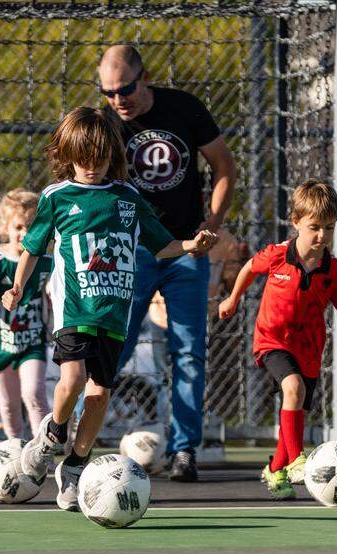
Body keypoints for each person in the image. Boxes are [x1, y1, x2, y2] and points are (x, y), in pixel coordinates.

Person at [3, 107, 216, 511]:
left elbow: (161, 245)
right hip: (74, 309)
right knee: (72, 380)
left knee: (99, 394)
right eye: (84, 158)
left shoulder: (128, 199)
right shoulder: (57, 197)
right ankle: (51, 435)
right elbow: (33, 247)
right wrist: (16, 285)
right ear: (68, 154)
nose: (92, 167)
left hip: (112, 315)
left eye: (100, 159)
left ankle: (75, 467)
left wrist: (190, 246)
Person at [98, 45, 237, 482]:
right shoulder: (102, 123)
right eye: (109, 92)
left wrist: (210, 226)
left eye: (126, 89)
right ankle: (76, 441)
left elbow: (224, 167)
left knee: (189, 351)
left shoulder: (184, 108)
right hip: (130, 251)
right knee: (111, 347)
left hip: (185, 249)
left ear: (145, 77)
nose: (119, 100)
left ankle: (184, 450)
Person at [218, 180, 337, 499]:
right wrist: (233, 299)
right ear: (295, 223)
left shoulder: (333, 269)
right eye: (314, 227)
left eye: (329, 228)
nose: (321, 235)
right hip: (272, 340)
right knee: (292, 388)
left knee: (295, 409)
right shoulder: (278, 255)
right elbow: (249, 269)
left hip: (309, 349)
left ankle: (275, 468)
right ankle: (297, 460)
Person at [0, 188, 52, 440]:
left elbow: (56, 297)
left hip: (33, 342)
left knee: (34, 394)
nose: (24, 233)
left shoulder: (48, 262)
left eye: (30, 226)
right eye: (18, 227)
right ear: (5, 227)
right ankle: (15, 446)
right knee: (8, 404)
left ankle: (43, 448)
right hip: (2, 344)